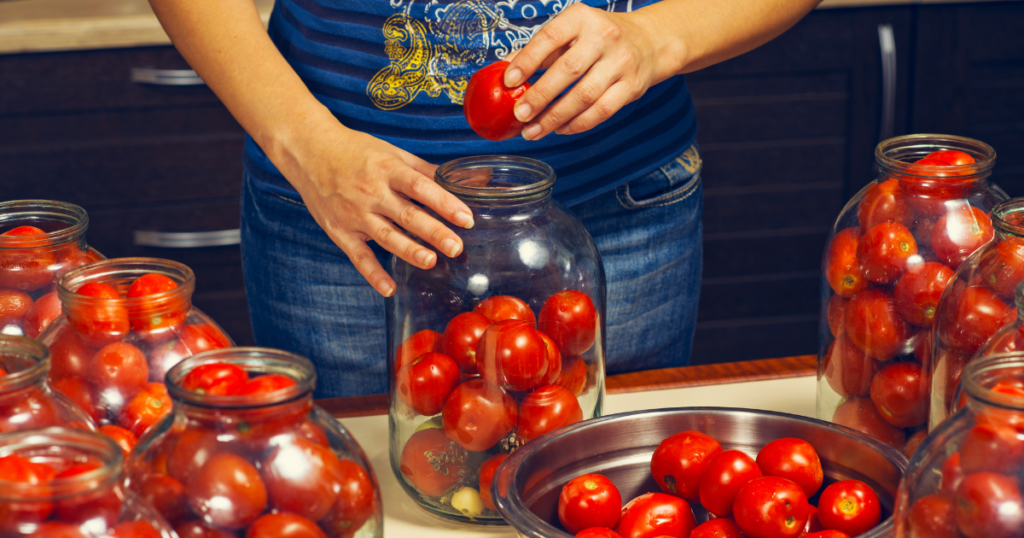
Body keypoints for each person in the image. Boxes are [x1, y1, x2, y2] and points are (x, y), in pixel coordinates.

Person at [149, 0, 822, 398]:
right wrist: (305, 143)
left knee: (596, 492)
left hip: (620, 213)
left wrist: (651, 39)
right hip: (346, 222)